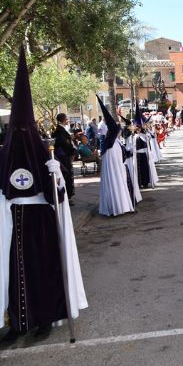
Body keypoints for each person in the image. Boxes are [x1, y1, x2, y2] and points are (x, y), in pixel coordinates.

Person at [0, 46, 87, 345]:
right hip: (10, 222)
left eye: (25, 130)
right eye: (16, 130)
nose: (20, 135)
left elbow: (58, 197)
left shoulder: (44, 155)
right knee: (12, 275)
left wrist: (56, 174)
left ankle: (45, 319)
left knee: (42, 271)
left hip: (39, 223)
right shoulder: (4, 155)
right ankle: (17, 323)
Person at [96, 96, 135, 216]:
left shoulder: (116, 142)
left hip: (119, 170)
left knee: (120, 186)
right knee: (115, 187)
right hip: (115, 171)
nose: (119, 132)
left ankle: (122, 206)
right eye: (117, 131)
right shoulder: (110, 146)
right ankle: (115, 207)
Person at [52, 113, 76, 204]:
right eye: (66, 119)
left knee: (67, 176)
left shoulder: (60, 130)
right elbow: (64, 144)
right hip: (63, 157)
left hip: (64, 155)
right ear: (63, 120)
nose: (67, 120)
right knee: (65, 176)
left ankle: (67, 196)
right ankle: (66, 197)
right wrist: (72, 151)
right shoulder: (59, 131)